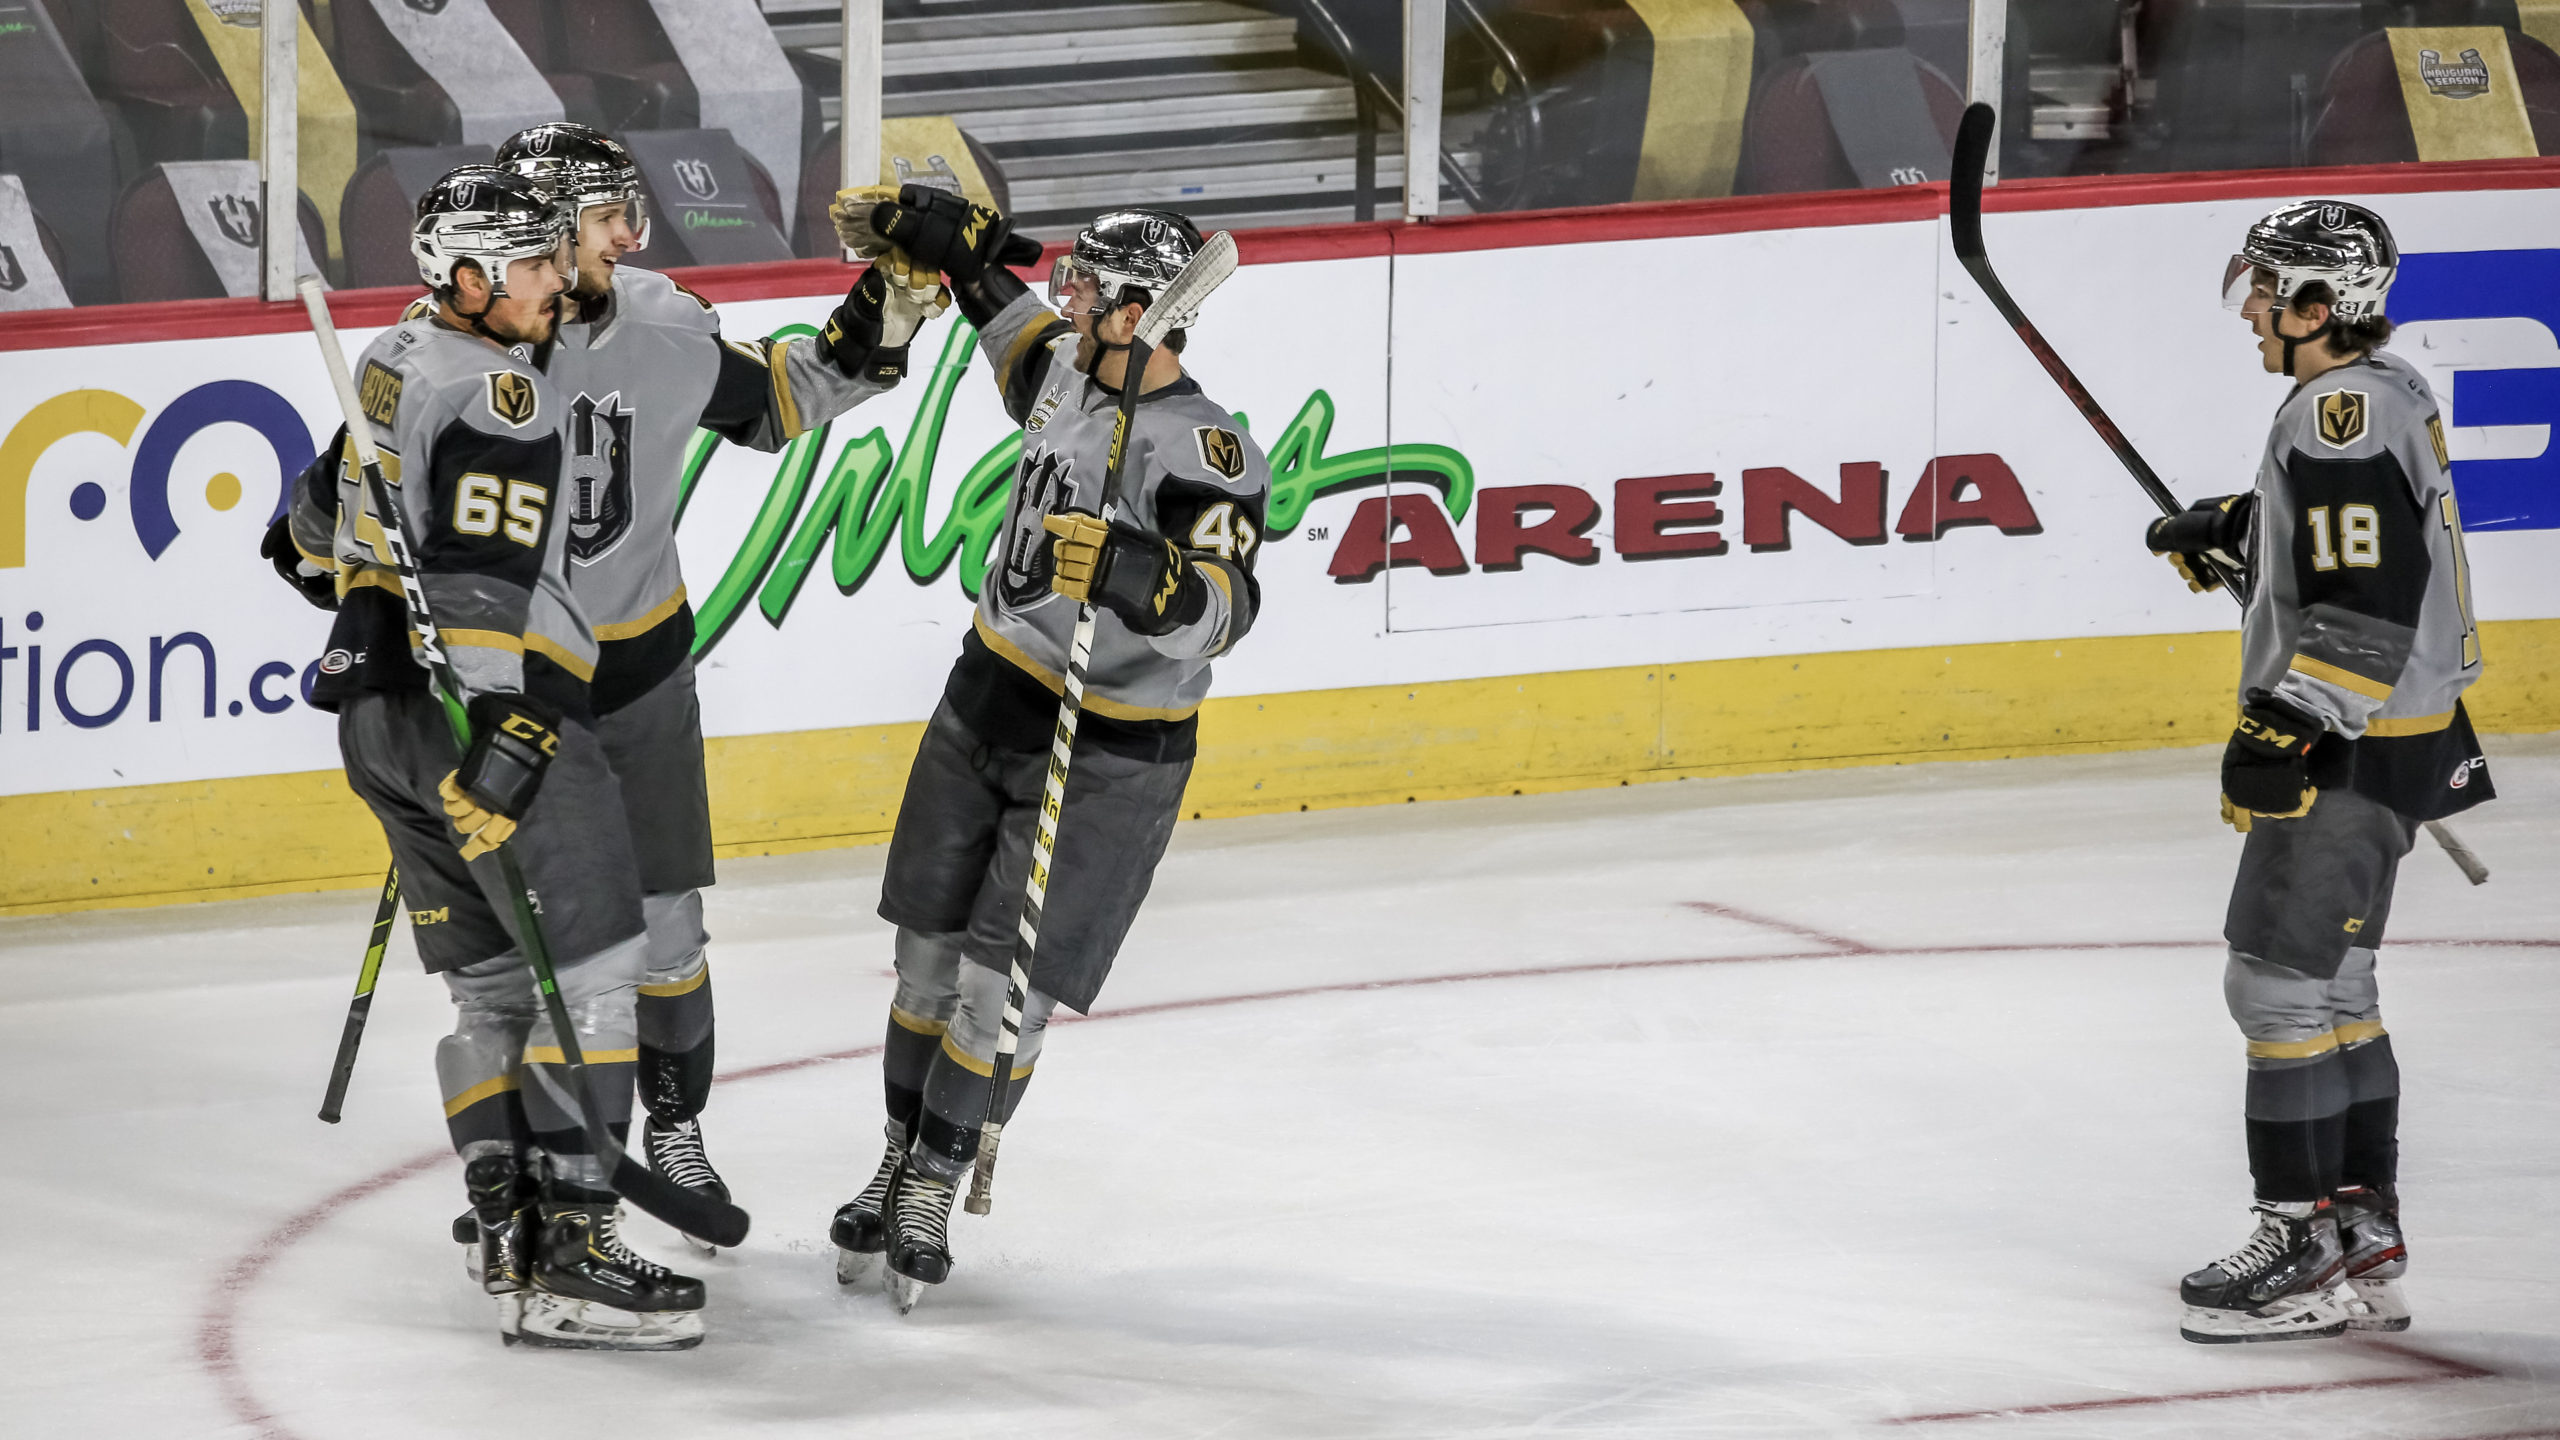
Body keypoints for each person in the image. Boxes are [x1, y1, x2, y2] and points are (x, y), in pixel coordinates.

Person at [267, 167, 703, 1350]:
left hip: (378, 718)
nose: (557, 280)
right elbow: (477, 581)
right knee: (599, 973)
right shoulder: (504, 392)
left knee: (493, 989)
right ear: (467, 278)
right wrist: (510, 741)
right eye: (532, 265)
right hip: (481, 714)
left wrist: (332, 566)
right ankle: (574, 1252)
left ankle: (506, 1228)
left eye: (557, 256)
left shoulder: (392, 355)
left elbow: (308, 530)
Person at [486, 122, 947, 1231]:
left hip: (639, 669)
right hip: (514, 686)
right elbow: (367, 493)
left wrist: (886, 306)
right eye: (608, 220)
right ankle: (524, 1152)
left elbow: (785, 396)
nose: (628, 239)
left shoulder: (661, 320)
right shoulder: (463, 343)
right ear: (548, 229)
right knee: (532, 944)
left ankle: (673, 1126)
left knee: (666, 927)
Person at [823, 196, 1270, 1308]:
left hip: (1108, 747)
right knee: (926, 965)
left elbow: (1228, 606)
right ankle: (895, 1158)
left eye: (1087, 287)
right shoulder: (1066, 372)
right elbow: (1001, 316)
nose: (1065, 298)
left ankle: (933, 1184)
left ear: (1138, 310)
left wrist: (1137, 574)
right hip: (986, 698)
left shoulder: (1205, 448)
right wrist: (951, 250)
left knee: (999, 993)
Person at [2147, 200, 2492, 1344]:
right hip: (2402, 732)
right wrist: (2246, 530)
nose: (2250, 308)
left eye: (2266, 289)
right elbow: (2359, 542)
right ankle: (2360, 1227)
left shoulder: (2332, 418)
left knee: (2277, 988)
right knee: (2336, 985)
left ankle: (2295, 1248)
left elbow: (2365, 600)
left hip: (2347, 739)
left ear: (2314, 305)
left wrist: (2285, 726)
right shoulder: (2380, 390)